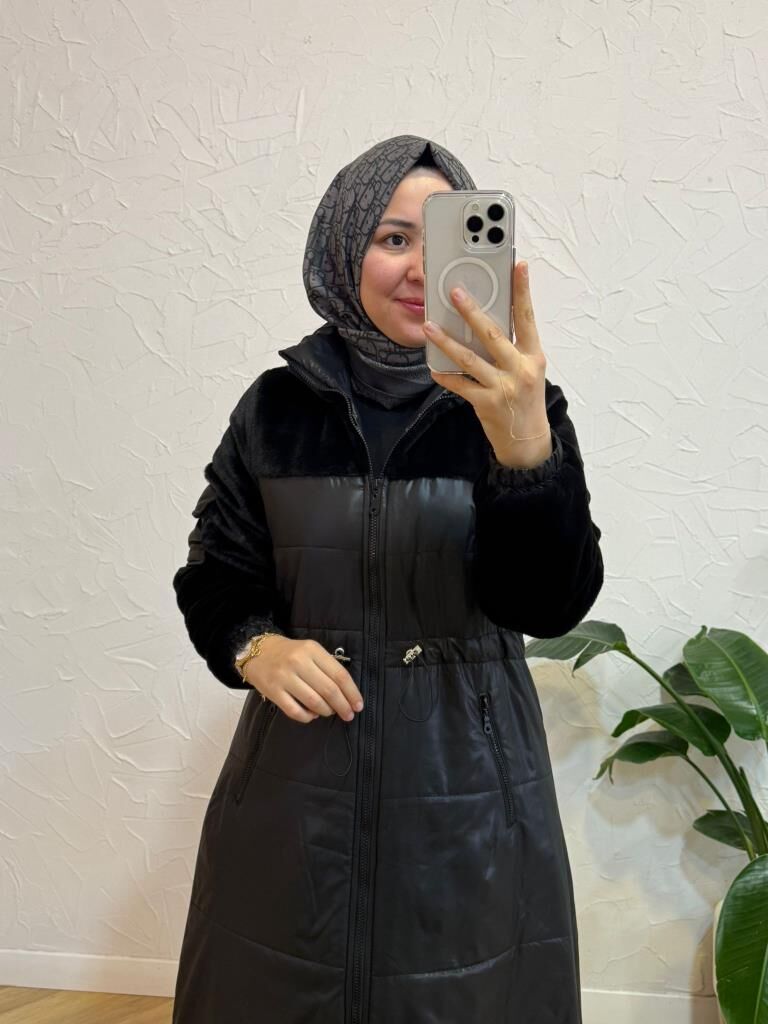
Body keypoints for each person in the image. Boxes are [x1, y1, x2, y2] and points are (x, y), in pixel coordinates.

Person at [171, 134, 604, 1024]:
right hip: (297, 790)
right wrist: (254, 646)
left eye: (441, 238)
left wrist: (525, 446)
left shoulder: (518, 403)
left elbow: (550, 604)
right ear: (343, 248)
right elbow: (216, 571)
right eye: (392, 237)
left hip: (470, 792)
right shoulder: (275, 409)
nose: (418, 268)